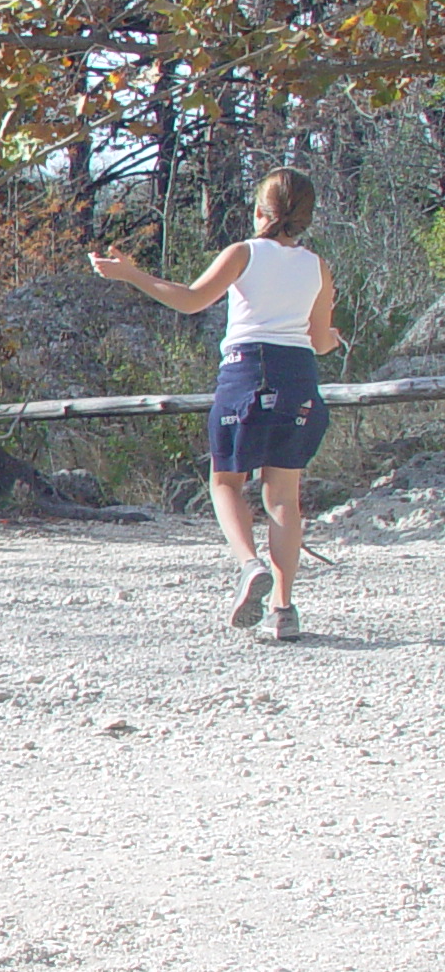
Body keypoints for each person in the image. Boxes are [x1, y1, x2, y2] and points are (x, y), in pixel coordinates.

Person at [90, 167, 340, 641]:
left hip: (249, 369)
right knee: (284, 497)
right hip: (300, 376)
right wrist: (333, 338)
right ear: (305, 216)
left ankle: (249, 566)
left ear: (261, 211)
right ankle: (285, 610)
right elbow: (320, 339)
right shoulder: (318, 266)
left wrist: (130, 274)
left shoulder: (243, 253)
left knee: (225, 480)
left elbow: (190, 301)